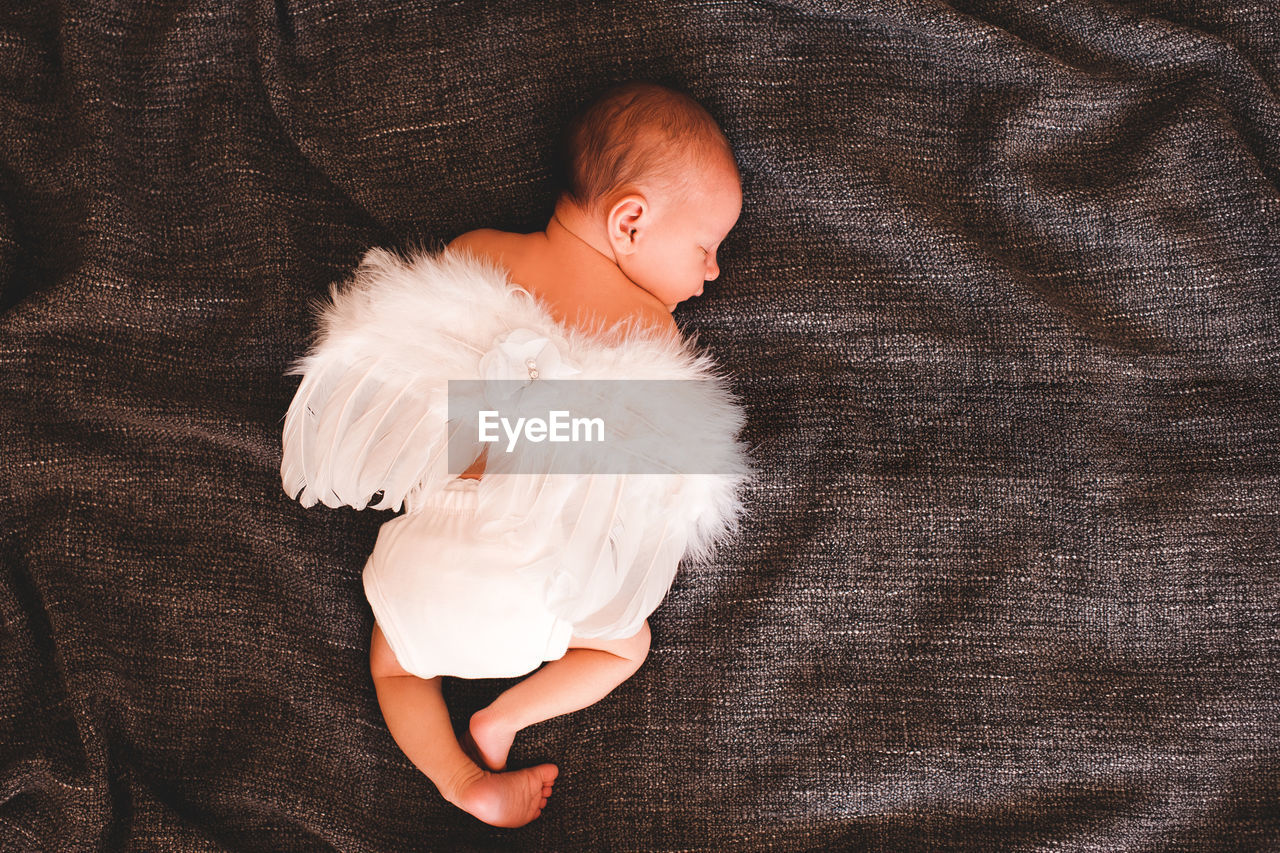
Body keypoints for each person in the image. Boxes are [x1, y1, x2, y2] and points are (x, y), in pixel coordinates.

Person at [283, 80, 746, 828]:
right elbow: (646, 476)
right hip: (540, 584)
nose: (713, 272)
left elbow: (412, 379)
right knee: (626, 645)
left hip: (427, 559)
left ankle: (458, 780)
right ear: (630, 220)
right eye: (705, 247)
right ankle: (503, 719)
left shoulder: (475, 255)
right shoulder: (648, 335)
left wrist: (493, 425)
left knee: (395, 667)